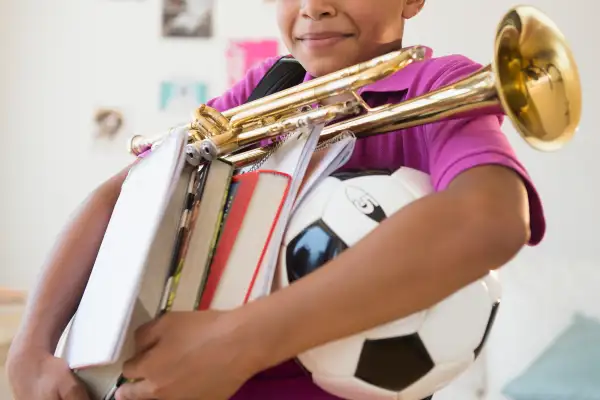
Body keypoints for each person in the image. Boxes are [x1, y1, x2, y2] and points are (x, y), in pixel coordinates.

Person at [6, 0, 546, 399]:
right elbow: (117, 198)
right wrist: (29, 350)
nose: (314, 7)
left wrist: (238, 344)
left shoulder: (437, 83)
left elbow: (490, 219)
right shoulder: (268, 87)